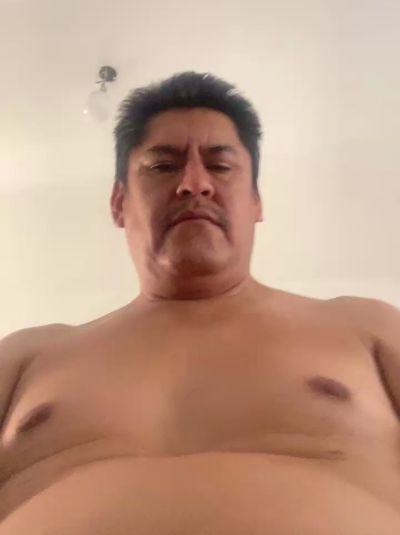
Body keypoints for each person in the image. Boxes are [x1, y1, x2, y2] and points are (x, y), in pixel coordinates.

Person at [1, 71, 400, 534]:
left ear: (256, 201)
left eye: (221, 166)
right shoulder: (27, 356)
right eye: (163, 166)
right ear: (118, 202)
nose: (194, 183)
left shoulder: (364, 326)